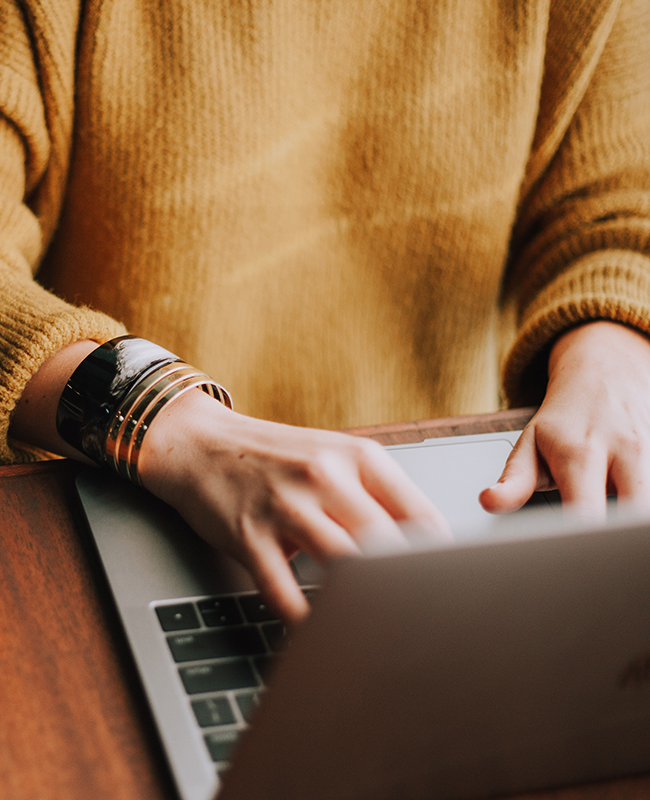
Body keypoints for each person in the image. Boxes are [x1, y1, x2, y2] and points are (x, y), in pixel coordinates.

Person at [2, 0, 650, 624]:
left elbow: (620, 205)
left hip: (459, 506)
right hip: (114, 510)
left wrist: (611, 357)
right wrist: (172, 426)